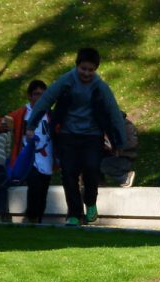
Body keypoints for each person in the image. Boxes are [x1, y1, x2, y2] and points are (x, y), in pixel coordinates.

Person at [26, 47, 125, 226]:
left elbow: (114, 112)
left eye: (91, 70)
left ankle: (90, 201)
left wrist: (119, 142)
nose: (86, 73)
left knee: (91, 169)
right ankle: (74, 213)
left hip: (92, 135)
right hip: (68, 134)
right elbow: (46, 100)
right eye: (83, 69)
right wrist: (31, 125)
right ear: (77, 65)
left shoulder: (100, 86)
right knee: (69, 173)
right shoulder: (66, 81)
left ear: (96, 69)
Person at [0, 79, 54, 223]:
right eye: (37, 94)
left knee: (43, 192)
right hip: (28, 158)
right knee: (34, 187)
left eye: (43, 94)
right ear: (29, 96)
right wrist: (3, 125)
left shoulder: (50, 114)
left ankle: (37, 221)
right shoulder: (21, 113)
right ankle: (31, 217)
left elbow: (59, 130)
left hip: (47, 159)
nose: (40, 97)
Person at [101, 111, 138, 187]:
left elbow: (131, 144)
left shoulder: (124, 125)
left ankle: (125, 178)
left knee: (99, 164)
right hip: (114, 155)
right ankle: (98, 182)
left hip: (124, 157)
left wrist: (116, 149)